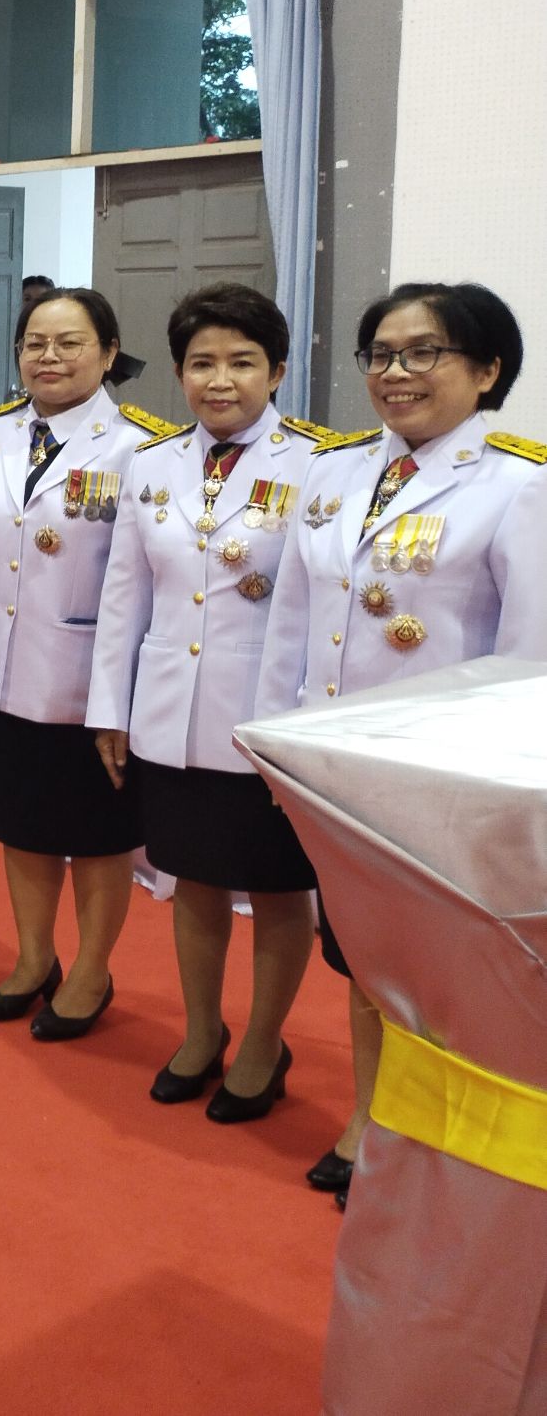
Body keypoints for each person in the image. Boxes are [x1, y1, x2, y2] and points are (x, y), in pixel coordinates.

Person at [256, 281, 546, 1205]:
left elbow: (529, 664)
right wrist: (278, 749)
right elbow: (293, 623)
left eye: (424, 353)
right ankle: (374, 1113)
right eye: (380, 353)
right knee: (367, 952)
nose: (396, 373)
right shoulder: (337, 471)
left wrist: (491, 797)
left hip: (442, 786)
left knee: (441, 972)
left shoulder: (518, 483)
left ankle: (433, 1142)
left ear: (487, 368)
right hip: (341, 772)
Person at [86, 282, 324, 1127]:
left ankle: (263, 1039)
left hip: (261, 720)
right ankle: (199, 1030)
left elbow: (316, 608)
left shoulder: (320, 466)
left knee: (278, 885)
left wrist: (296, 733)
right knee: (193, 877)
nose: (219, 380)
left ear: (279, 370)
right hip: (169, 714)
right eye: (201, 363)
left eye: (241, 362)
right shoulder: (149, 463)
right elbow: (126, 597)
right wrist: (109, 707)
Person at [0, 287, 168, 1038]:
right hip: (4, 672)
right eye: (35, 341)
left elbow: (148, 585)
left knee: (98, 837)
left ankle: (93, 970)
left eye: (70, 342)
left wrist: (121, 700)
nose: (49, 356)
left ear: (107, 353)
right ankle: (34, 958)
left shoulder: (143, 447)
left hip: (90, 685)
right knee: (23, 825)